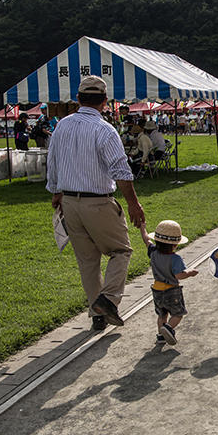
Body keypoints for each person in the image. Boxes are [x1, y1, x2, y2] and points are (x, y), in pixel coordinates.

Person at [46, 75, 146, 331]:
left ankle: (97, 314)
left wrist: (56, 192)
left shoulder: (62, 126)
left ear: (78, 99)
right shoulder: (104, 130)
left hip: (69, 201)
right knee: (121, 251)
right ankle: (107, 300)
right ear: (104, 102)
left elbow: (53, 162)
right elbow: (121, 171)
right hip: (98, 202)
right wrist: (134, 204)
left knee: (88, 262)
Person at [142, 220, 198, 346]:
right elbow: (179, 275)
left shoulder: (153, 252)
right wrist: (190, 272)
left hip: (156, 289)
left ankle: (161, 336)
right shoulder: (175, 258)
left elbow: (146, 240)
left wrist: (142, 228)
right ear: (175, 245)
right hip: (171, 290)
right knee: (178, 314)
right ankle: (168, 328)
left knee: (162, 314)